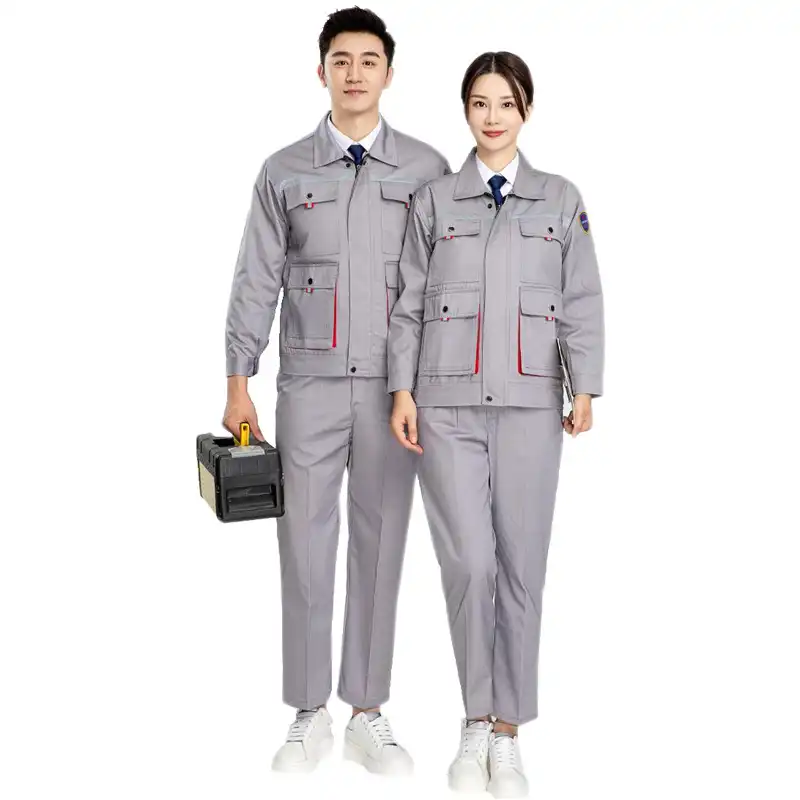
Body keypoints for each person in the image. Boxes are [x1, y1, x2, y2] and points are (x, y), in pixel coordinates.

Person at [223, 7, 450, 775]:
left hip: (396, 395)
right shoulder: (284, 171)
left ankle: (368, 712)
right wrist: (238, 382)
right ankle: (308, 712)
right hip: (310, 388)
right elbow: (256, 280)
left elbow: (447, 286)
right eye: (341, 60)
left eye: (368, 60)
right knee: (304, 546)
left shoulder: (426, 170)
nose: (354, 73)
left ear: (389, 72)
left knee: (381, 546)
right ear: (319, 70)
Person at [387, 51, 604, 797]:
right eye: (480, 103)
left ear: (526, 111)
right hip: (444, 407)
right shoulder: (434, 202)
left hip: (530, 406)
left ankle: (506, 732)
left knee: (521, 567)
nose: (492, 116)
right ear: (465, 110)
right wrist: (401, 390)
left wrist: (585, 385)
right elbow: (408, 305)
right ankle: (474, 719)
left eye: (505, 103)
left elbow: (581, 299)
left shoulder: (560, 199)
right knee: (470, 563)